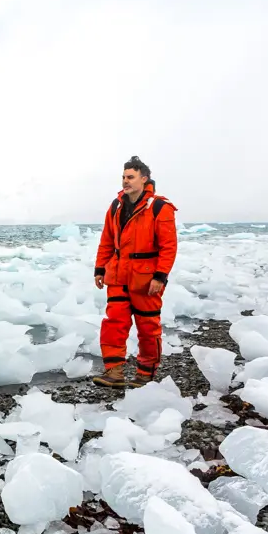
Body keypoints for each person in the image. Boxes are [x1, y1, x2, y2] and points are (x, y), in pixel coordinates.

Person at [92, 156, 178, 388]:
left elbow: (169, 246)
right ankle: (114, 372)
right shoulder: (116, 206)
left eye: (130, 177)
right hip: (118, 274)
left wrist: (160, 276)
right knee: (113, 323)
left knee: (148, 327)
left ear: (144, 178)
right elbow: (107, 240)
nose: (125, 181)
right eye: (123, 177)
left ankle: (145, 374)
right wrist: (100, 268)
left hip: (146, 277)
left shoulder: (160, 207)